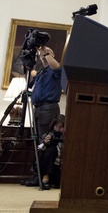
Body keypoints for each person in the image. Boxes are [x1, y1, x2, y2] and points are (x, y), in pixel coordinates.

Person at [23, 45, 62, 187]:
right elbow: (28, 84)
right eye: (42, 54)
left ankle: (44, 177)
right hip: (38, 109)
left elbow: (56, 67)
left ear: (53, 55)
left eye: (47, 53)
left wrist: (46, 53)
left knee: (46, 141)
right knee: (39, 142)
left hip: (48, 108)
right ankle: (38, 175)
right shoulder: (41, 72)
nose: (43, 55)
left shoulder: (55, 70)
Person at [36, 114, 65, 190]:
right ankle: (45, 177)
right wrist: (45, 143)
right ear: (54, 126)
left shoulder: (68, 135)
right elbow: (40, 151)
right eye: (59, 127)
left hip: (60, 168)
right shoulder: (48, 134)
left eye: (63, 127)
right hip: (49, 167)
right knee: (52, 149)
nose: (61, 129)